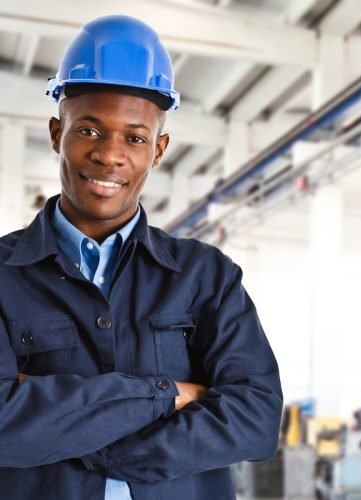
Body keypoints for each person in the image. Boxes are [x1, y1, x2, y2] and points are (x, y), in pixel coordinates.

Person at [0, 15, 282, 500]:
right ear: (55, 133)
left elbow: (255, 419)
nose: (110, 156)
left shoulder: (207, 276)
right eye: (89, 130)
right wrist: (168, 394)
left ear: (159, 150)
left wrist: (80, 437)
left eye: (135, 137)